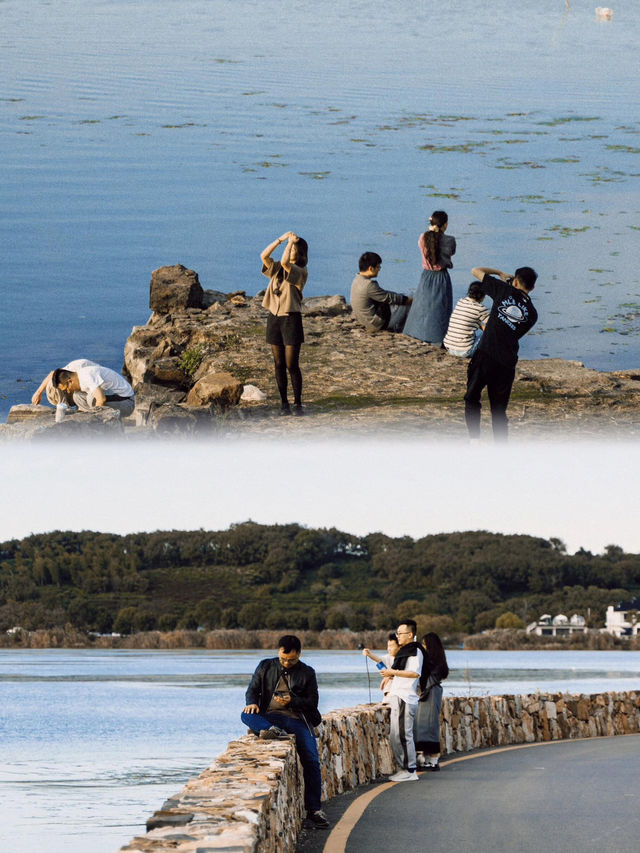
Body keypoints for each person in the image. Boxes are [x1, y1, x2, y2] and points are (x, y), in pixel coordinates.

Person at [241, 635, 329, 829]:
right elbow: (252, 690)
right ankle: (271, 730)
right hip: (269, 716)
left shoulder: (307, 672)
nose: (287, 663)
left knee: (312, 760)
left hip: (297, 719)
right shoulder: (265, 666)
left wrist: (291, 701)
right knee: (245, 715)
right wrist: (252, 703)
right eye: (283, 659)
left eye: (292, 660)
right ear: (278, 652)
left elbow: (312, 703)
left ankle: (314, 810)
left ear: (299, 654)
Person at [464, 265, 538, 442]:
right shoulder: (533, 314)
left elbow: (475, 270)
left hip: (486, 354)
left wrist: (498, 274)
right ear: (532, 288)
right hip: (506, 362)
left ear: (516, 281)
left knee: (471, 398)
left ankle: (474, 441)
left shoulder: (504, 290)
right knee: (498, 410)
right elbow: (515, 334)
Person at [261, 231, 308, 416]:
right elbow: (263, 256)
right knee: (278, 363)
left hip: (291, 319)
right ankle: (284, 403)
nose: (291, 250)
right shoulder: (277, 270)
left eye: (294, 248)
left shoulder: (300, 272)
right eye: (291, 248)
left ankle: (297, 403)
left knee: (291, 364)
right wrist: (281, 240)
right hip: (274, 318)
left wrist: (290, 243)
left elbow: (285, 263)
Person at [380, 620, 423, 782]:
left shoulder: (415, 651)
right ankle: (404, 768)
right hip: (398, 696)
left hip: (406, 697)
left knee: (403, 735)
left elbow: (414, 673)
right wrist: (391, 674)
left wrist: (393, 671)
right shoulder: (406, 651)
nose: (398, 636)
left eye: (400, 633)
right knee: (395, 735)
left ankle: (410, 770)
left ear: (410, 634)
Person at [403, 210, 456, 345]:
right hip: (441, 277)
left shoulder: (423, 238)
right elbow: (452, 252)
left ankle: (416, 332)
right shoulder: (450, 240)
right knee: (441, 308)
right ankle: (438, 336)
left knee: (422, 305)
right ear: (445, 225)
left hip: (426, 276)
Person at [350, 252, 412, 333]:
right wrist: (409, 300)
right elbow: (388, 297)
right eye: (378, 267)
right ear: (371, 269)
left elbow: (383, 294)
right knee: (408, 299)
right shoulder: (369, 285)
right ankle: (401, 329)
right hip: (376, 325)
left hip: (365, 320)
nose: (379, 269)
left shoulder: (357, 280)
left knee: (402, 296)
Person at [414, 632, 449, 771]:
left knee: (429, 726)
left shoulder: (433, 663)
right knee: (425, 726)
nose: (423, 647)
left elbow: (424, 679)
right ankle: (428, 760)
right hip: (430, 694)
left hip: (430, 694)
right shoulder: (437, 661)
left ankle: (433, 761)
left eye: (424, 644)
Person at [48, 362, 135, 417]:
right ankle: (92, 418)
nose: (68, 392)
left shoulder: (87, 376)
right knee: (77, 396)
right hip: (115, 398)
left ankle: (101, 424)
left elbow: (101, 400)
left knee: (91, 398)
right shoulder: (80, 376)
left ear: (70, 381)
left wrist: (95, 420)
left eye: (66, 388)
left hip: (127, 402)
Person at [443, 282, 490, 357]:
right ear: (482, 296)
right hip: (465, 351)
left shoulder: (460, 302)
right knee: (491, 333)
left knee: (468, 326)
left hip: (449, 347)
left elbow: (470, 319)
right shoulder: (480, 308)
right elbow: (493, 325)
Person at [31, 359, 98, 407]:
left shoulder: (77, 368)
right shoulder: (66, 375)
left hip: (97, 389)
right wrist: (38, 393)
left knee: (77, 396)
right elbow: (53, 374)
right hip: (85, 388)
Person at [361, 632, 400, 702]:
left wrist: (390, 676)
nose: (389, 649)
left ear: (399, 646)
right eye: (388, 646)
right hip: (388, 693)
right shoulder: (387, 658)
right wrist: (369, 654)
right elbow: (378, 660)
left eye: (391, 646)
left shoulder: (405, 659)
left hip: (399, 693)